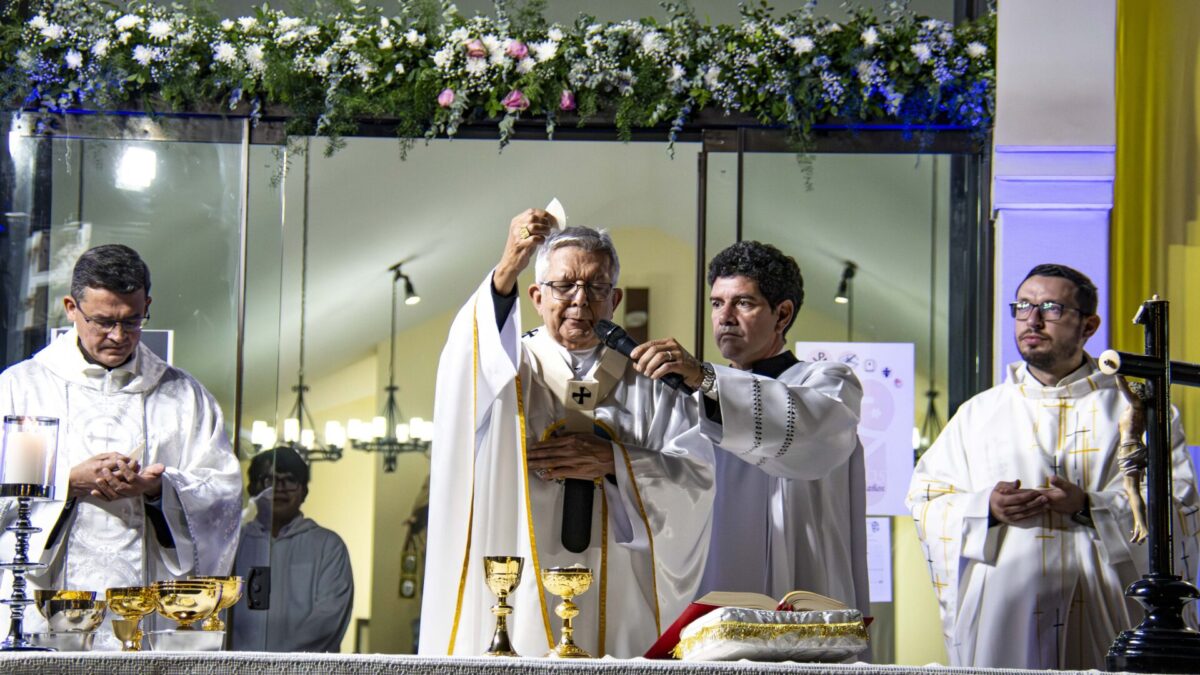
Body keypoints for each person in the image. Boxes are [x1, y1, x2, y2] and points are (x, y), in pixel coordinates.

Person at [420, 210, 714, 658]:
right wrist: (506, 270)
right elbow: (464, 366)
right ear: (536, 296)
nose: (580, 300)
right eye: (564, 285)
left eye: (596, 287)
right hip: (520, 587)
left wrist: (616, 462)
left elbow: (695, 478)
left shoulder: (651, 382)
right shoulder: (506, 370)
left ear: (614, 299)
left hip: (622, 594)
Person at [905, 263, 1200, 669]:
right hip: (1009, 608)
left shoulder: (1137, 408)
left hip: (1107, 600)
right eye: (1023, 306)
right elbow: (927, 498)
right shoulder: (979, 413)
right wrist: (986, 508)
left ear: (1089, 325)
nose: (1033, 320)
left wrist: (1089, 505)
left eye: (1051, 308)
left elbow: (1179, 504)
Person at [0, 244, 242, 649]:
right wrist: (66, 483)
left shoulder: (184, 397)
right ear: (71, 308)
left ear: (147, 305)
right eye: (103, 321)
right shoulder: (20, 389)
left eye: (132, 320)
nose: (118, 336)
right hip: (44, 613)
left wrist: (159, 490)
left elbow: (224, 494)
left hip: (148, 616)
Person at [630, 241, 870, 620]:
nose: (724, 317)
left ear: (782, 314)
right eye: (716, 303)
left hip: (803, 592)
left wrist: (706, 378)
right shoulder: (692, 400)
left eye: (742, 303)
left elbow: (812, 434)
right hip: (713, 595)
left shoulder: (829, 383)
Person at [230, 447, 353, 652]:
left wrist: (276, 663)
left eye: (289, 480)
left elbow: (327, 621)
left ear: (304, 491)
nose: (279, 488)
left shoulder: (328, 546)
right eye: (269, 480)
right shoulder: (234, 544)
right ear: (253, 489)